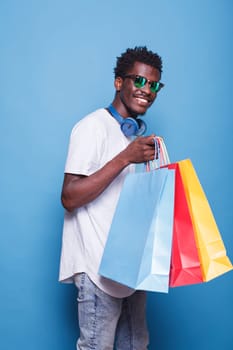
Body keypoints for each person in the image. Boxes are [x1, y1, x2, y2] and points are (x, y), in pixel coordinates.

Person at [59, 46, 164, 350]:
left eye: (154, 84)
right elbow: (69, 197)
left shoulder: (132, 136)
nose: (147, 90)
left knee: (136, 345)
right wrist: (124, 158)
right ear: (119, 82)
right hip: (96, 266)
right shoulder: (92, 127)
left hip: (130, 266)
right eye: (139, 81)